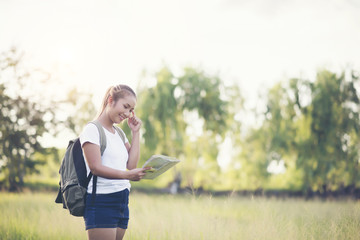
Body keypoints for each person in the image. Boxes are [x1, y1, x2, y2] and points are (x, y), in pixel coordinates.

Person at [79, 84, 150, 240]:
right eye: (125, 107)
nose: (128, 113)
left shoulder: (119, 133)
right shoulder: (92, 129)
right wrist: (127, 176)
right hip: (102, 201)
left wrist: (135, 133)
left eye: (131, 110)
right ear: (111, 100)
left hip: (122, 200)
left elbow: (131, 165)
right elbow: (96, 168)